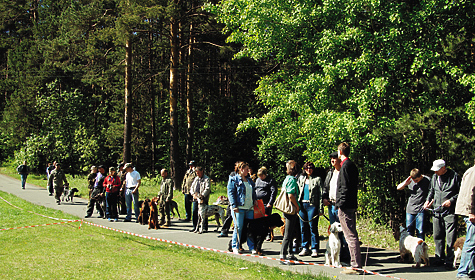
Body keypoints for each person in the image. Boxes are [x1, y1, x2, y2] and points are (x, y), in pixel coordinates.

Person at [423, 159, 460, 269]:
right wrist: (427, 201)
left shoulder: (454, 176)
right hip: (436, 211)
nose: (435, 172)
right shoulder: (435, 177)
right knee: (437, 236)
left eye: (437, 170)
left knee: (450, 237)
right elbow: (431, 191)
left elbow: (460, 192)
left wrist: (451, 201)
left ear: (443, 168)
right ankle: (439, 258)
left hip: (450, 212)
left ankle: (449, 260)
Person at [336, 142, 362, 275]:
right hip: (350, 204)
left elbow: (345, 187)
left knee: (350, 235)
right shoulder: (351, 165)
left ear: (340, 152)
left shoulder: (345, 166)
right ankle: (355, 263)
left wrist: (340, 203)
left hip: (346, 206)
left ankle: (355, 265)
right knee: (351, 234)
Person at [228, 161, 256, 254]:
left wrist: (255, 199)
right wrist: (234, 205)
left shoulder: (249, 180)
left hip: (250, 207)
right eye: (246, 169)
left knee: (250, 228)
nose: (248, 171)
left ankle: (252, 247)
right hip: (239, 207)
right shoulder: (233, 179)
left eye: (248, 169)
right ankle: (235, 246)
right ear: (241, 169)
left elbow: (253, 191)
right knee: (238, 227)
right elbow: (231, 193)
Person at [396, 168, 430, 240]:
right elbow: (398, 188)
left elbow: (432, 192)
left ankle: (420, 249)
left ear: (421, 176)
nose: (415, 182)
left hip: (421, 209)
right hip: (410, 209)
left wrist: (429, 202)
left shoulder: (427, 180)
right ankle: (409, 249)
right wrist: (405, 183)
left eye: (417, 180)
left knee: (420, 231)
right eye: (414, 180)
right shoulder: (410, 180)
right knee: (409, 231)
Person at [297, 161, 322, 258]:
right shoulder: (301, 179)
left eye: (310, 167)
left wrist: (320, 209)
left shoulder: (317, 179)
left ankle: (314, 248)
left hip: (312, 206)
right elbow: (297, 192)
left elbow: (320, 195)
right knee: (303, 227)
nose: (308, 169)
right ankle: (305, 247)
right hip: (302, 205)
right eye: (307, 168)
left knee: (313, 227)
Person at [455, 161, 475, 279]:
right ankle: (462, 271)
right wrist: (471, 211)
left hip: (470, 211)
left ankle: (472, 269)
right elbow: (470, 193)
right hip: (470, 212)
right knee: (471, 242)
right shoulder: (473, 172)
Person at [279, 160, 300, 265]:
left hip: (286, 209)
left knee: (291, 232)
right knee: (288, 234)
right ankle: (282, 255)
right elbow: (291, 195)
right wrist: (297, 206)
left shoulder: (287, 179)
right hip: (290, 209)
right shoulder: (292, 180)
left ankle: (290, 253)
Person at [218, 161, 242, 238]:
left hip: (241, 200)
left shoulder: (246, 176)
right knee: (229, 215)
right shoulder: (233, 175)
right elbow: (230, 189)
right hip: (233, 199)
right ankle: (224, 230)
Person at [254, 166, 278, 241]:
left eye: (262, 175)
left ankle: (268, 234)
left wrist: (270, 202)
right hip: (258, 202)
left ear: (265, 174)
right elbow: (255, 189)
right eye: (259, 176)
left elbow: (274, 192)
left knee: (266, 219)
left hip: (266, 202)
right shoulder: (258, 180)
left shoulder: (270, 180)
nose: (260, 177)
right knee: (258, 219)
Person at [322, 152, 341, 225]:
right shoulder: (330, 172)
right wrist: (324, 198)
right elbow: (325, 187)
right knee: (333, 228)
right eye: (331, 159)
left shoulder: (343, 172)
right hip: (331, 205)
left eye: (334, 158)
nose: (332, 160)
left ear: (339, 159)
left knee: (342, 229)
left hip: (340, 206)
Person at [190, 166, 211, 232]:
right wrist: (193, 194)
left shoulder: (206, 179)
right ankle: (195, 227)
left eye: (198, 173)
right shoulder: (196, 179)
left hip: (203, 199)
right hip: (195, 198)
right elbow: (192, 188)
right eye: (196, 173)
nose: (197, 174)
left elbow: (207, 189)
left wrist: (202, 196)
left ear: (202, 171)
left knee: (204, 213)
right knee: (194, 211)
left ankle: (204, 227)